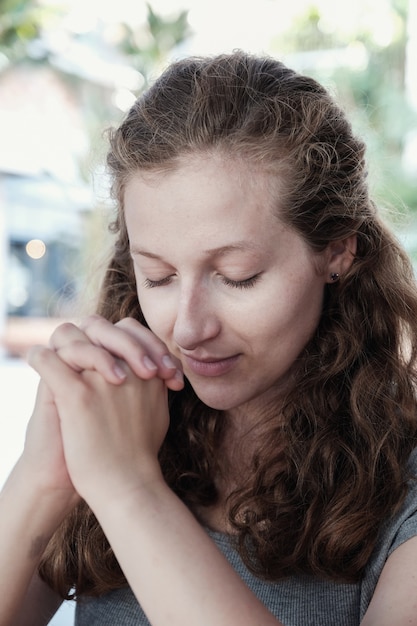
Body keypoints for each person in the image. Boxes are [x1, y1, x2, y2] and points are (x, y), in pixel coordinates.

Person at [2, 50, 417, 626]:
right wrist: (43, 478)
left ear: (337, 250)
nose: (189, 328)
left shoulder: (405, 495)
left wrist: (130, 489)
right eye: (159, 276)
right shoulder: (119, 429)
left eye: (237, 276)